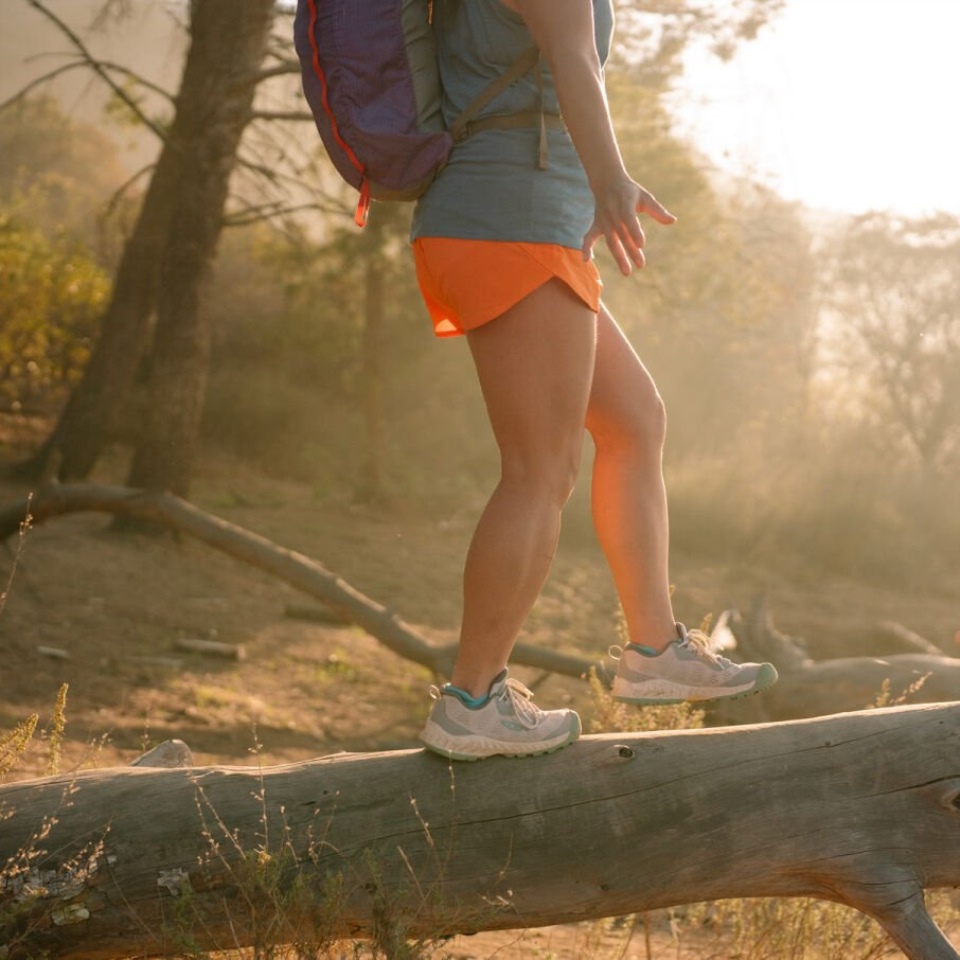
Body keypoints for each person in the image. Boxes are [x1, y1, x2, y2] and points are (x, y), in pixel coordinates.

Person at [411, 0, 777, 762]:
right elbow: (574, 60)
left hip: (509, 213)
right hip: (513, 215)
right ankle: (471, 700)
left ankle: (651, 651)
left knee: (634, 419)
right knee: (540, 471)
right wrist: (611, 182)